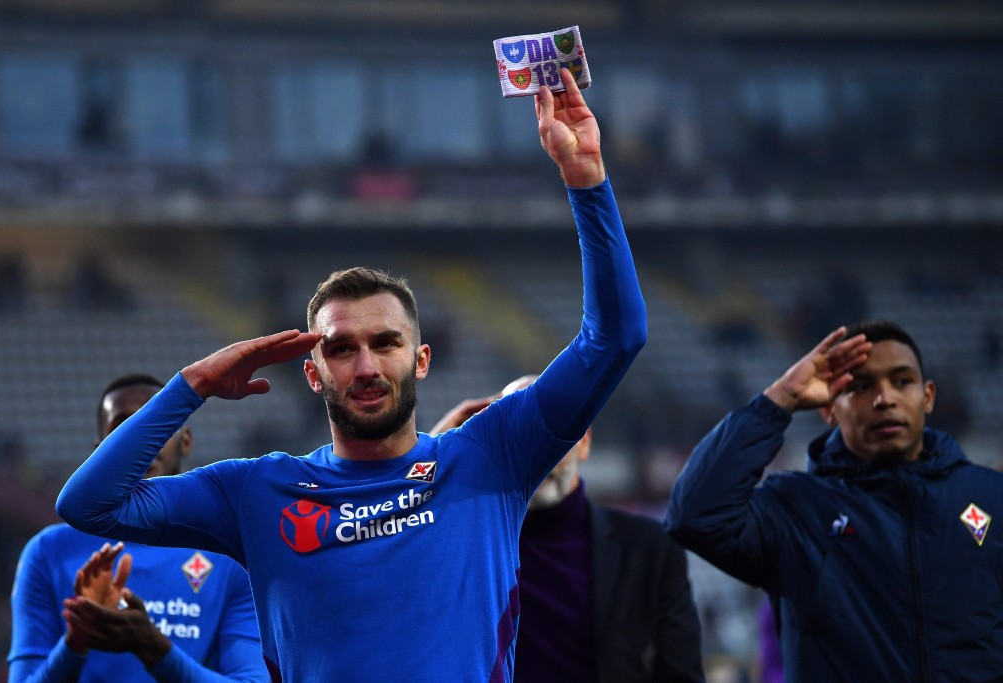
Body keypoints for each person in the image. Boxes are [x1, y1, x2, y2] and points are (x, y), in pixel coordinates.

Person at [56, 65, 648, 682]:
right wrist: (194, 384)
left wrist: (587, 180)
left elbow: (616, 338)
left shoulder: (492, 454)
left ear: (421, 359)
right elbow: (89, 504)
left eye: (385, 344)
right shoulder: (256, 492)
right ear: (313, 375)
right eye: (341, 349)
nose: (365, 366)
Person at [665, 320, 1003, 683]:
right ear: (828, 409)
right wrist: (778, 400)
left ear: (929, 396)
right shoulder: (797, 509)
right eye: (861, 386)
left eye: (902, 381)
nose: (885, 398)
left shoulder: (990, 496)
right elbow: (695, 515)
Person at [431, 375, 704, 683]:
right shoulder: (467, 546)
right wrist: (440, 447)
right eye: (521, 433)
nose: (540, 451)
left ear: (584, 442)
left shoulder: (649, 548)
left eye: (555, 429)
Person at [9, 374, 268, 683]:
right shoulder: (49, 552)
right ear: (102, 451)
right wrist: (76, 641)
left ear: (186, 441)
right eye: (124, 427)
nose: (143, 441)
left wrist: (152, 646)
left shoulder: (228, 556)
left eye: (159, 424)